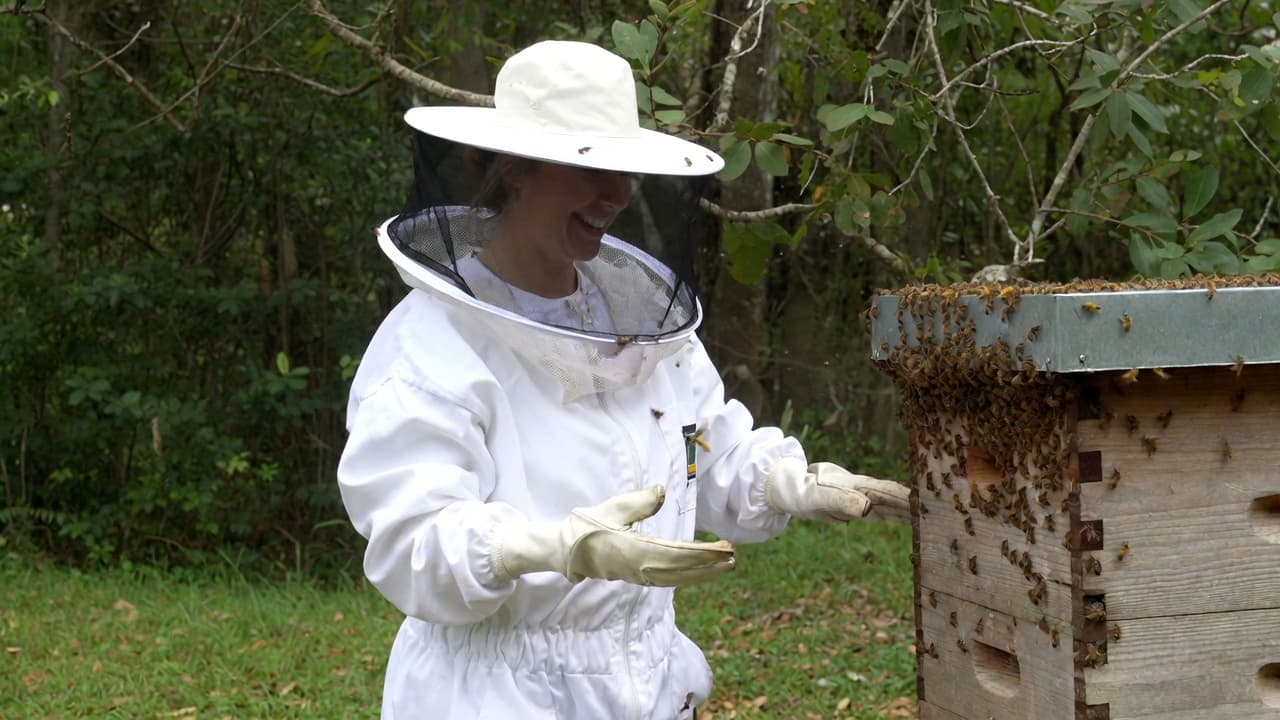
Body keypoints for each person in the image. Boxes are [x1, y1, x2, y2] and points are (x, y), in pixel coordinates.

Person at [337, 40, 910, 720]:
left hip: (651, 689)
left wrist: (787, 483)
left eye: (625, 171)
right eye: (593, 170)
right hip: (496, 698)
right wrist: (543, 547)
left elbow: (701, 453)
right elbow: (412, 546)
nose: (617, 195)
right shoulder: (431, 348)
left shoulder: (646, 329)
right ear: (515, 169)